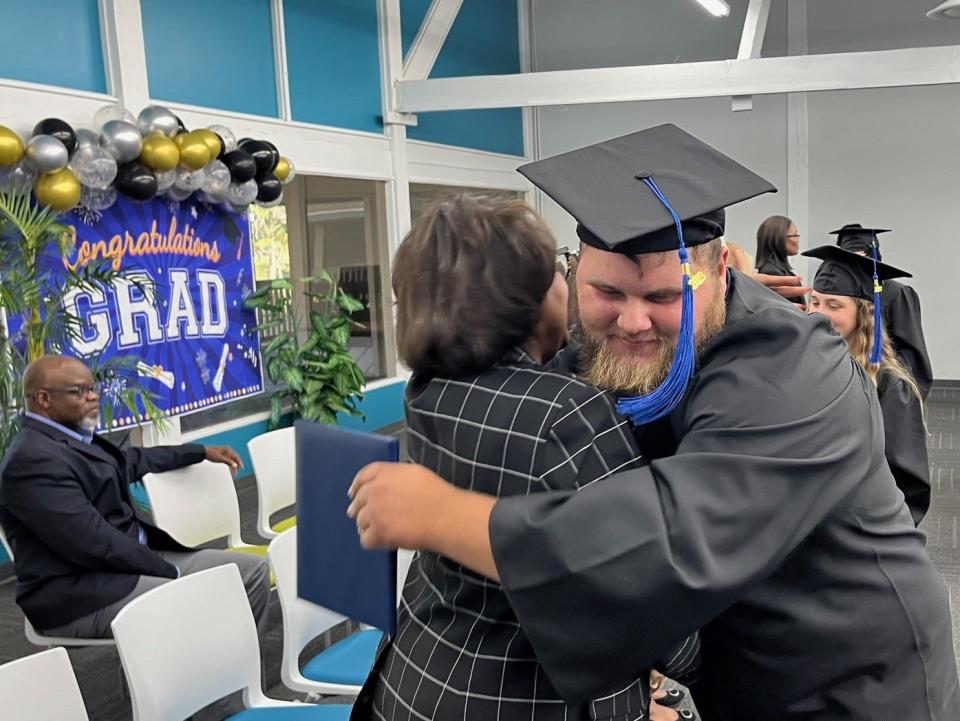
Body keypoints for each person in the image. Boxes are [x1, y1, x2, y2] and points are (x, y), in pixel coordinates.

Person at [348, 124, 960, 721]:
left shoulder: (793, 368)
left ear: (719, 272)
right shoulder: (604, 341)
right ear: (572, 276)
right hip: (733, 665)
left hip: (842, 674)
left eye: (665, 297)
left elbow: (674, 538)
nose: (632, 322)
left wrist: (440, 515)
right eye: (607, 292)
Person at [355, 194, 697, 721]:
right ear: (530, 301)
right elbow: (636, 581)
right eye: (561, 272)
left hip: (421, 674)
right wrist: (684, 660)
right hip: (522, 696)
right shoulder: (566, 413)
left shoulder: (427, 390)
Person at [0, 355, 270, 640]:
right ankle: (186, 680)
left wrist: (200, 452)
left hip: (131, 561)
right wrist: (170, 573)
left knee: (252, 572)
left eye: (94, 388)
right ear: (43, 399)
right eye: (81, 391)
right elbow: (95, 543)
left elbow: (130, 461)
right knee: (195, 605)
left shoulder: (72, 437)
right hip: (83, 592)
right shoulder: (30, 461)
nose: (93, 397)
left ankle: (240, 678)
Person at [805, 245, 930, 524]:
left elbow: (908, 487)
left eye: (833, 305)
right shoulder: (805, 367)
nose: (818, 314)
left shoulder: (891, 387)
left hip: (860, 532)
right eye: (815, 302)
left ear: (864, 312)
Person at [832, 223, 933, 398]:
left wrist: (898, 395)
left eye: (859, 258)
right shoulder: (841, 295)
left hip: (882, 388)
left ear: (874, 256)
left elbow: (912, 355)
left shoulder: (896, 293)